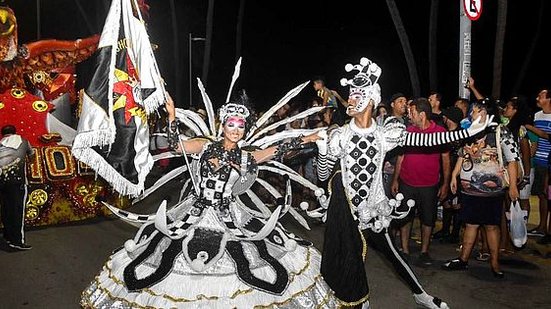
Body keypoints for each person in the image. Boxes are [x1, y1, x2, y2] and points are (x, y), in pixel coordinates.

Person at [81, 93, 340, 308]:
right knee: (167, 256)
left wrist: (310, 137)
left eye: (241, 125)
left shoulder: (248, 156)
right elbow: (175, 146)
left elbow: (281, 148)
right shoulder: (205, 145)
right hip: (194, 212)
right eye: (231, 124)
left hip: (229, 216)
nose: (236, 130)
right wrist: (171, 115)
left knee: (240, 260)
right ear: (223, 124)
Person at [316, 57, 493, 309]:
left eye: (356, 95)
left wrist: (467, 133)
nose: (351, 100)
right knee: (346, 257)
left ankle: (421, 295)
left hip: (374, 210)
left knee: (393, 254)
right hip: (346, 212)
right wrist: (323, 151)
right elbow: (323, 176)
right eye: (350, 94)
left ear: (370, 99)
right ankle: (357, 300)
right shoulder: (339, 135)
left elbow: (427, 141)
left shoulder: (384, 134)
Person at [442, 99, 520, 278]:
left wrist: (513, 186)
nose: (471, 114)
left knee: (492, 226)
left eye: (475, 111)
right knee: (471, 224)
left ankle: (495, 262)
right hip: (470, 190)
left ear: (485, 113)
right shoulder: (469, 131)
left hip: (492, 191)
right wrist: (454, 175)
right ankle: (463, 259)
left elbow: (512, 160)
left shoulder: (501, 132)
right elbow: (462, 154)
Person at [392, 98, 450, 265]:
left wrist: (445, 183)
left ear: (422, 114)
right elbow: (401, 157)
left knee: (428, 219)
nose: (409, 115)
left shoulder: (440, 133)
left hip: (429, 184)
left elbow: (445, 159)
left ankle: (424, 252)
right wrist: (395, 179)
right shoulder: (407, 132)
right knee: (405, 216)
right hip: (407, 182)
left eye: (412, 112)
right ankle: (405, 249)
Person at [433, 107, 465, 244]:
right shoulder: (446, 134)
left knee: (456, 204)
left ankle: (455, 233)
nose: (443, 119)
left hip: (457, 174)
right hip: (445, 172)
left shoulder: (461, 135)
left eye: (445, 116)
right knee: (446, 202)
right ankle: (445, 230)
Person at [0, 125, 34, 251]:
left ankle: (8, 236)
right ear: (15, 132)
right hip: (18, 183)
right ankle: (17, 241)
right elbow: (32, 156)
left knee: (6, 209)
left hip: (2, 183)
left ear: (3, 134)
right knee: (18, 212)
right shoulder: (24, 142)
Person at [529, 89, 551, 243]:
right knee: (541, 195)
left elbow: (547, 136)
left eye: (541, 96)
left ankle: (546, 228)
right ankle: (542, 226)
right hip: (538, 160)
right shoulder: (537, 116)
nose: (537, 97)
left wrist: (529, 127)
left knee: (547, 195)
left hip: (548, 161)